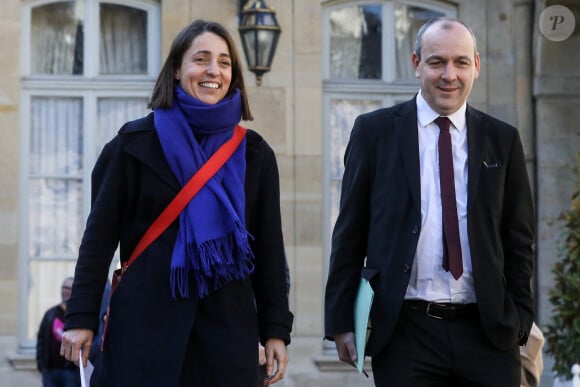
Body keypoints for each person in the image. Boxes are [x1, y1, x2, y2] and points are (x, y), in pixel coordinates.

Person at [59, 19, 293, 387]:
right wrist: (81, 318)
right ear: (176, 69)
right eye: (201, 59)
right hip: (143, 333)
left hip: (227, 339)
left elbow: (269, 252)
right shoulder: (131, 146)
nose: (213, 71)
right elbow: (98, 240)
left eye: (224, 62)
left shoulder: (256, 154)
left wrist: (276, 330)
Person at [324, 17, 535, 387]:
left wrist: (520, 318)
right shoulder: (373, 133)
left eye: (461, 62)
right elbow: (349, 233)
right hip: (406, 331)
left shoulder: (503, 140)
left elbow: (519, 240)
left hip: (487, 333)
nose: (449, 75)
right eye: (437, 62)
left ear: (477, 67)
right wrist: (340, 320)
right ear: (417, 64)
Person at [36, 276, 81, 387]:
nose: (67, 291)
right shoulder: (50, 314)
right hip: (49, 371)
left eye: (70, 288)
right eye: (65, 288)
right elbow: (41, 340)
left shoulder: (79, 316)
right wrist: (41, 365)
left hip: (71, 372)